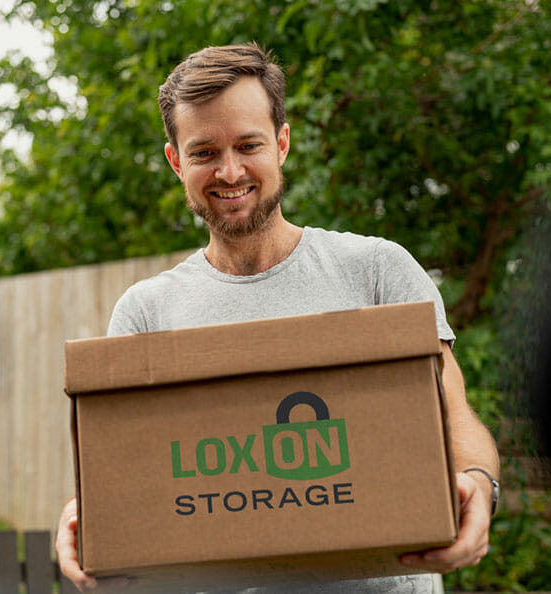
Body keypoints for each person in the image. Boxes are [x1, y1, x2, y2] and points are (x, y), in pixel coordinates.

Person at [56, 42, 500, 593]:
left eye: (249, 145)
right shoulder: (147, 312)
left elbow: (453, 414)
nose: (230, 171)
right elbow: (126, 479)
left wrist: (478, 484)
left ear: (282, 143)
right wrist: (86, 520)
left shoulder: (376, 270)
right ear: (176, 162)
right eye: (204, 152)